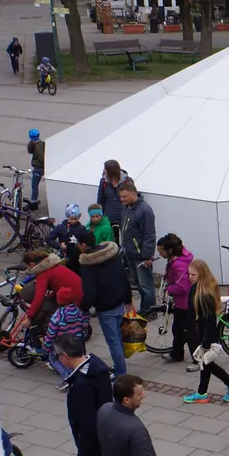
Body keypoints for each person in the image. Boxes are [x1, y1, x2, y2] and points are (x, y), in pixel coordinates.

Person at [181, 259, 229, 404]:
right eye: (189, 274)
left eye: (193, 275)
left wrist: (206, 342)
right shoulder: (197, 288)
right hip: (200, 333)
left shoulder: (204, 295)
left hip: (205, 335)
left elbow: (209, 322)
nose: (190, 277)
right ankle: (202, 392)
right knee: (205, 364)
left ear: (201, 274)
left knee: (207, 364)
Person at [77, 239, 132, 377]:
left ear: (83, 244)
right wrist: (128, 299)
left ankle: (121, 373)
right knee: (118, 337)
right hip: (119, 302)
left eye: (78, 244)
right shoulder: (112, 255)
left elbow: (90, 291)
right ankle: (120, 366)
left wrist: (84, 307)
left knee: (113, 341)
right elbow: (124, 277)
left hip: (105, 307)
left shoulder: (88, 264)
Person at [117, 180, 158, 314]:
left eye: (124, 196)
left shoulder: (145, 210)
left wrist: (147, 256)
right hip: (130, 253)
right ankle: (145, 307)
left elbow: (149, 235)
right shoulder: (126, 207)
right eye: (120, 197)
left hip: (141, 255)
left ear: (133, 194)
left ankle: (150, 311)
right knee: (139, 285)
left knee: (146, 285)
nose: (121, 199)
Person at [155, 234, 195, 365]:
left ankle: (196, 360)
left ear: (170, 250)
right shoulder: (180, 257)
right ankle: (177, 354)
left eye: (161, 251)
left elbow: (182, 287)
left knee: (186, 332)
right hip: (183, 301)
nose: (160, 254)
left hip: (184, 302)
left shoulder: (178, 264)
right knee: (179, 329)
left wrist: (169, 289)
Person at [97, 160, 133, 236]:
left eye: (105, 169)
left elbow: (132, 198)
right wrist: (100, 217)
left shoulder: (127, 181)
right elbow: (100, 200)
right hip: (108, 218)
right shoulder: (103, 182)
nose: (104, 171)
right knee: (111, 243)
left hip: (124, 216)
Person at [26, 129, 46, 208]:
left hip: (38, 168)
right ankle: (33, 201)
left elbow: (41, 158)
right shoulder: (41, 144)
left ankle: (33, 203)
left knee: (34, 186)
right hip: (39, 168)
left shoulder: (38, 147)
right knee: (34, 186)